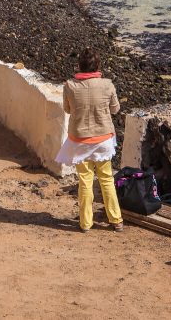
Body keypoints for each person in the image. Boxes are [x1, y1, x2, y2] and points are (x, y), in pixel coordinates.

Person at [56, 48, 123, 232]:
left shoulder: (70, 85)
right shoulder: (107, 84)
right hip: (103, 139)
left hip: (80, 140)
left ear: (79, 66)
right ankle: (116, 220)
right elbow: (115, 109)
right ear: (98, 65)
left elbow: (68, 109)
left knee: (85, 181)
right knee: (107, 179)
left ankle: (85, 223)